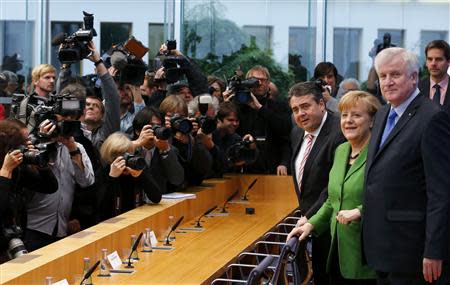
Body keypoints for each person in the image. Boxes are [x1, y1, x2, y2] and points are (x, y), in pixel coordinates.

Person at [363, 47, 450, 284]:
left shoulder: (433, 118)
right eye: (383, 76)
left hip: (412, 253)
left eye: (395, 74)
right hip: (381, 247)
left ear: (414, 77)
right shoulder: (382, 114)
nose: (388, 82)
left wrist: (434, 250)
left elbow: (441, 193)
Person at [288, 91, 381, 285]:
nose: (348, 121)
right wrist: (311, 224)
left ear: (372, 121)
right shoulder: (341, 150)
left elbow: (391, 198)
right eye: (344, 115)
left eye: (356, 115)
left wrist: (359, 212)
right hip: (336, 251)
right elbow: (332, 199)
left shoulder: (380, 153)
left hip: (366, 256)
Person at [288, 81, 346, 285]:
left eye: (305, 106)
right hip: (310, 224)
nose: (300, 114)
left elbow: (333, 184)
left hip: (334, 226)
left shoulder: (340, 131)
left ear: (321, 104)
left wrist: (311, 216)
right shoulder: (297, 132)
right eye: (295, 109)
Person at [0, 120, 58, 262]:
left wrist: (40, 163)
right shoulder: (8, 168)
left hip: (13, 236)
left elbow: (50, 187)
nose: (28, 145)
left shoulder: (18, 168)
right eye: (24, 142)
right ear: (8, 146)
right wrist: (5, 171)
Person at [234, 65, 291, 175]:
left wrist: (284, 163)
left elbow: (285, 132)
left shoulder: (279, 107)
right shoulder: (238, 107)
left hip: (272, 168)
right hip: (244, 169)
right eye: (254, 80)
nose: (259, 83)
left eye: (262, 80)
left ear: (268, 83)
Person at [96, 132, 162, 222]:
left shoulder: (136, 167)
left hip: (136, 220)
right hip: (112, 225)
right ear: (111, 156)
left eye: (129, 153)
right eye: (122, 155)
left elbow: (156, 198)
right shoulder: (103, 174)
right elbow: (100, 210)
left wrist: (140, 175)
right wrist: (112, 178)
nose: (126, 159)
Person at [418, 40, 450, 107]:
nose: (433, 64)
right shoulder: (417, 89)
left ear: (448, 62)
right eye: (430, 59)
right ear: (426, 62)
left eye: (438, 59)